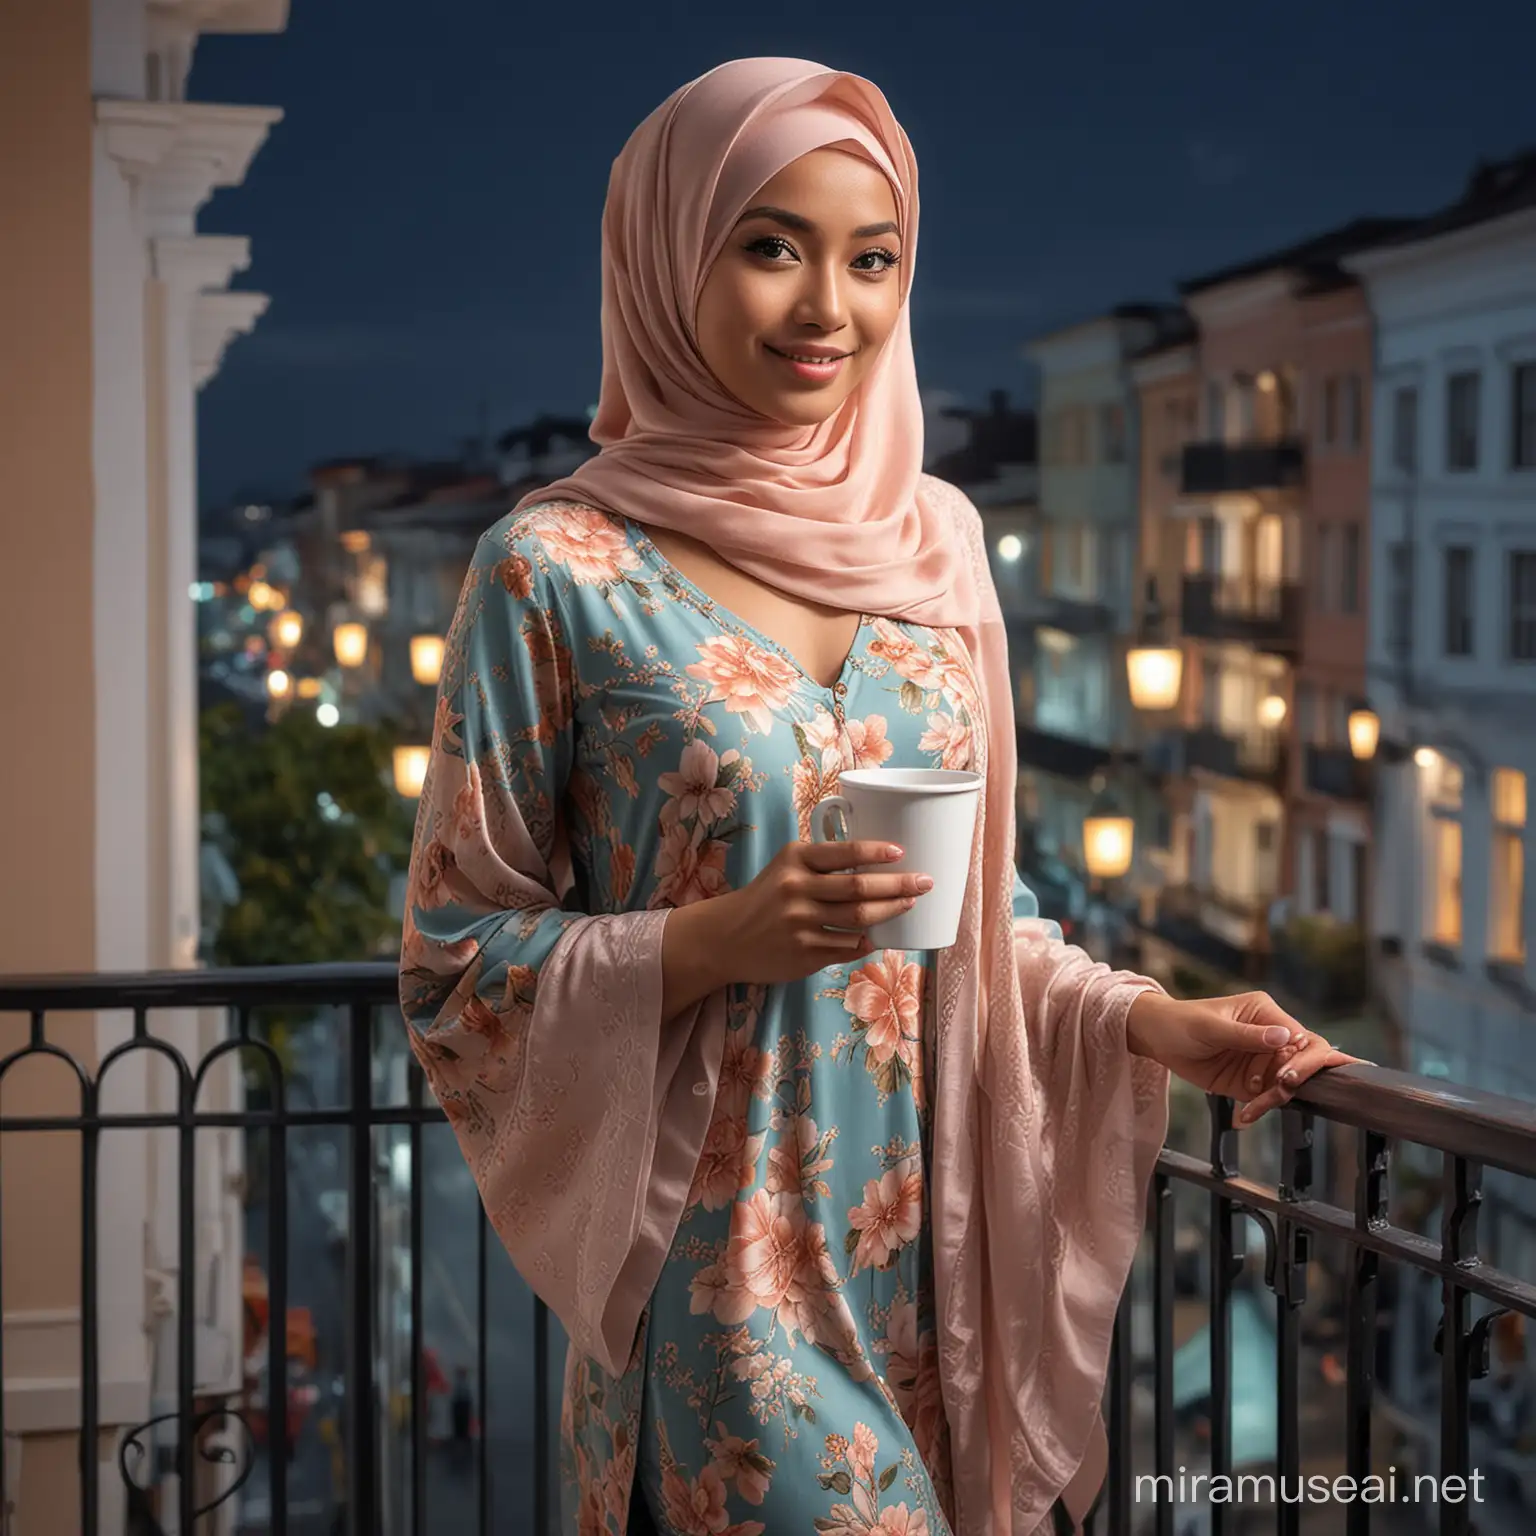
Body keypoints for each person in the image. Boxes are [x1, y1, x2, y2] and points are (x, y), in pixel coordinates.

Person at [398, 57, 1359, 1536]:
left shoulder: (936, 545)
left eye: (873, 258)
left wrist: (1147, 1019)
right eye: (771, 245)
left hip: (942, 1272)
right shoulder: (555, 567)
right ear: (666, 257)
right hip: (724, 1288)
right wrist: (718, 938)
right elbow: (456, 959)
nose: (827, 308)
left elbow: (980, 914)